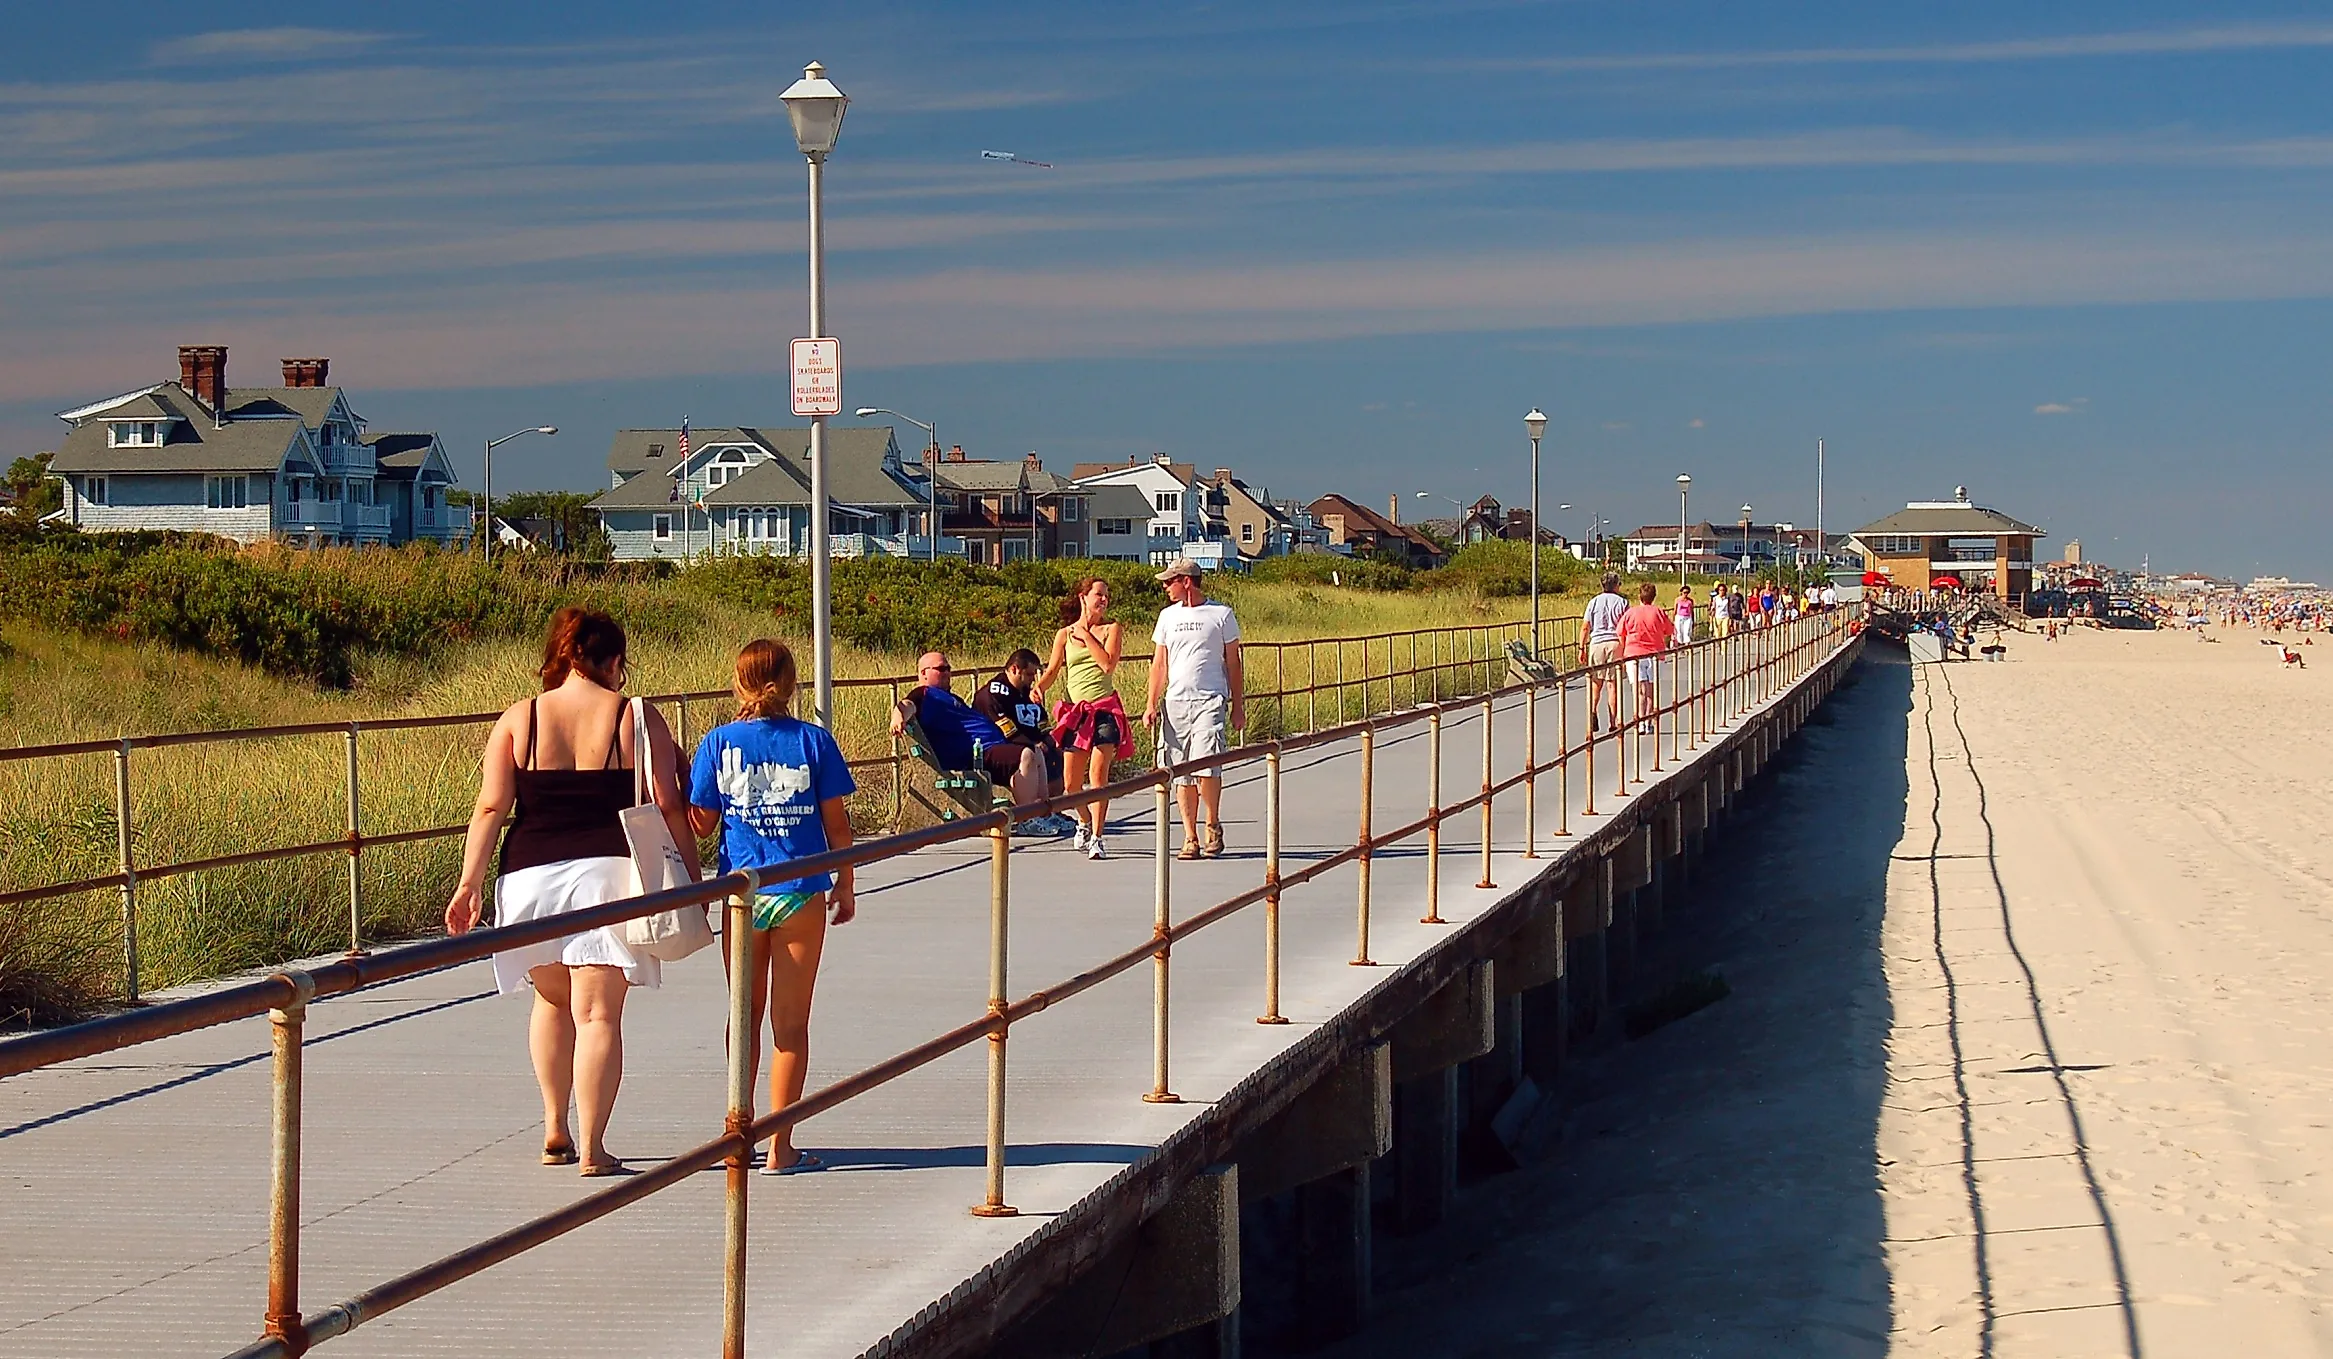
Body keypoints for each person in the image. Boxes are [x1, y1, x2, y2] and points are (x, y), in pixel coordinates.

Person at [444, 606, 698, 1178]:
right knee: (599, 1015)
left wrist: (469, 883)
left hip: (530, 876)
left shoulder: (520, 718)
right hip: (609, 873)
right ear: (613, 661)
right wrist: (692, 878)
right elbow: (668, 804)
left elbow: (491, 806)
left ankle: (554, 1127)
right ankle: (593, 1146)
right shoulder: (634, 715)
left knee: (553, 1001)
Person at [686, 640, 854, 1175]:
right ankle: (780, 1148)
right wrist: (845, 883)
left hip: (742, 894)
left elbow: (702, 822)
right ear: (790, 680)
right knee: (791, 1024)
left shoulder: (718, 742)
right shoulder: (814, 741)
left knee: (744, 1016)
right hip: (800, 887)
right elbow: (837, 825)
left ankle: (738, 1129)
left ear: (739, 683)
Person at [890, 651, 1069, 832]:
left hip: (987, 749)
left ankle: (1045, 814)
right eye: (941, 669)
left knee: (1035, 751)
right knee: (1025, 754)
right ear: (923, 673)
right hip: (971, 755)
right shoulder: (924, 694)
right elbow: (906, 705)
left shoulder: (949, 697)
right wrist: (898, 717)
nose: (946, 673)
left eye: (948, 669)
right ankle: (1027, 819)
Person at [1143, 559, 1243, 860]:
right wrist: (1151, 703)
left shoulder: (1221, 614)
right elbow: (1159, 663)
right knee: (1180, 771)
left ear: (1186, 581)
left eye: (1169, 581)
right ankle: (1190, 836)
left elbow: (1233, 663)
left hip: (1210, 699)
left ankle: (1212, 823)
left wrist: (1238, 705)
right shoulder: (1166, 617)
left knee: (1206, 763)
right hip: (1175, 703)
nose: (1165, 586)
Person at [1037, 577, 1127, 860]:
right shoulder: (1064, 635)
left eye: (1106, 596)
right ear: (1083, 597)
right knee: (1071, 785)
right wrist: (1039, 687)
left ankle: (1098, 838)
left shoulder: (1112, 629)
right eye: (1098, 594)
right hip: (1077, 713)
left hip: (1104, 711)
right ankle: (1084, 821)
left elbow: (1107, 664)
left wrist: (1087, 635)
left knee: (1098, 778)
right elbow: (1053, 669)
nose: (1103, 600)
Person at [974, 646, 1068, 807]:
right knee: (1035, 752)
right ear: (1014, 669)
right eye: (1030, 674)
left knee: (1059, 751)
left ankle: (1051, 810)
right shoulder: (993, 694)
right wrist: (1034, 743)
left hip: (1030, 742)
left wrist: (1052, 740)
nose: (1033, 679)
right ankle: (1033, 812)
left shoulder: (1025, 692)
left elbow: (1042, 721)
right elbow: (1006, 731)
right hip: (999, 747)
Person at [1618, 581, 1677, 734]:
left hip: (1633, 654)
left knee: (1638, 691)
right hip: (1654, 655)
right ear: (1654, 597)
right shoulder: (1658, 612)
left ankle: (1638, 721)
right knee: (1650, 691)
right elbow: (1669, 629)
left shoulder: (1630, 612)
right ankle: (1648, 723)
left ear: (1640, 596)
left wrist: (1624, 649)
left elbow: (1620, 632)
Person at [1580, 572, 1629, 732]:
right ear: (1616, 585)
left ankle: (1592, 711)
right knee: (1612, 685)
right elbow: (1626, 626)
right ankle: (1613, 722)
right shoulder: (1623, 602)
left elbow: (1585, 626)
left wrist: (1582, 647)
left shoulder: (1593, 602)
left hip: (1596, 644)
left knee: (1596, 683)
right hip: (1615, 643)